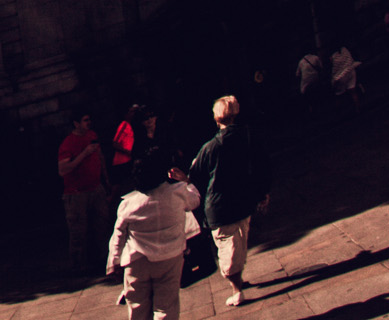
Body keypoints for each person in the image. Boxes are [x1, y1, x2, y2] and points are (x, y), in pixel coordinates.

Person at [189, 96, 272, 308]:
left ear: (217, 119)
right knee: (239, 244)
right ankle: (238, 280)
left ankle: (236, 289)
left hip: (221, 207)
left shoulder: (211, 147)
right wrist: (263, 193)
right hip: (245, 201)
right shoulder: (249, 136)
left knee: (228, 249)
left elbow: (196, 175)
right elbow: (263, 166)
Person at [106, 152, 200, 320]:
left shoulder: (128, 204)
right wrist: (186, 182)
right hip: (170, 257)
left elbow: (118, 236)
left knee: (138, 308)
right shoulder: (177, 193)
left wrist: (114, 262)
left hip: (137, 261)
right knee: (166, 306)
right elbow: (195, 200)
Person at [58, 111, 110, 274]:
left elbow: (100, 157)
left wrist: (106, 180)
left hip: (95, 188)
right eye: (85, 120)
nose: (89, 122)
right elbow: (63, 169)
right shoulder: (68, 143)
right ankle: (78, 265)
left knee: (102, 224)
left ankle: (103, 259)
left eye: (89, 119)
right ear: (76, 123)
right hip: (76, 193)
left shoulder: (92, 135)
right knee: (79, 230)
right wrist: (84, 153)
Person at [329, 45, 362, 111]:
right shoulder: (345, 49)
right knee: (352, 91)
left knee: (339, 94)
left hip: (340, 76)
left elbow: (333, 67)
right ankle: (358, 108)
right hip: (351, 71)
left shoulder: (333, 56)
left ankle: (341, 111)